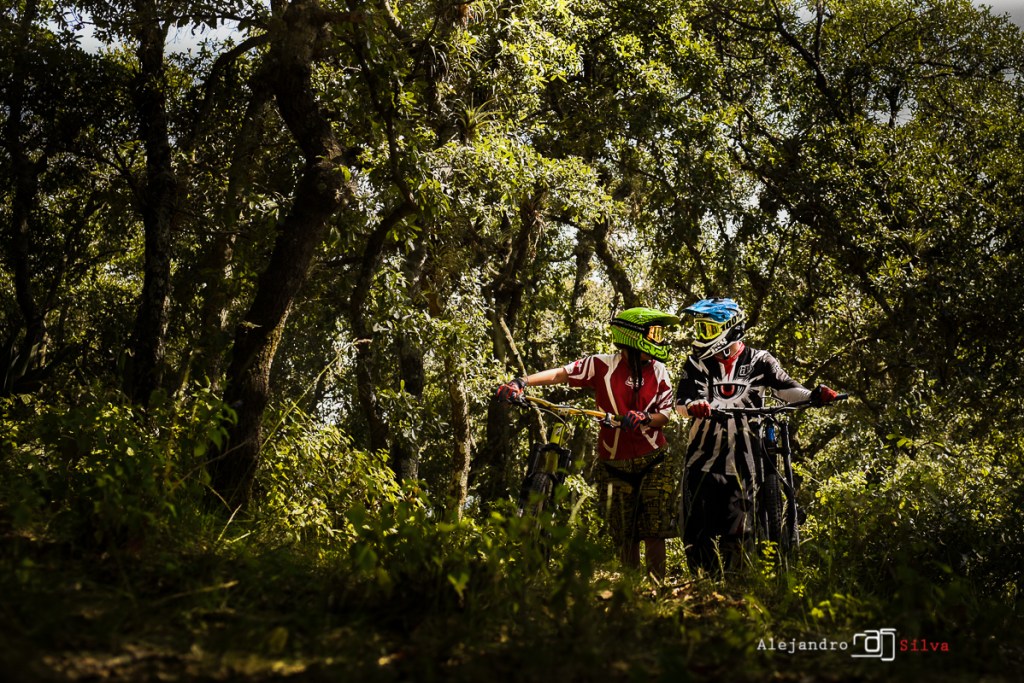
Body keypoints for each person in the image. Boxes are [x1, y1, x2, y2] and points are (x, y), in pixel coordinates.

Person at [495, 307, 681, 579]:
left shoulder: (660, 371)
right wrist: (520, 382)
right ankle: (632, 592)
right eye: (653, 333)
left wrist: (645, 417)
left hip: (653, 461)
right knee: (625, 534)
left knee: (655, 530)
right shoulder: (602, 365)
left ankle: (658, 589)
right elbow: (562, 374)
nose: (658, 339)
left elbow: (664, 415)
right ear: (632, 336)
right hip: (613, 463)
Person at [674, 298, 838, 573]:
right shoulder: (695, 363)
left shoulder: (760, 361)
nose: (700, 335)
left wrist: (814, 395)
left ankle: (736, 590)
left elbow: (786, 388)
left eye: (707, 329)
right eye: (699, 329)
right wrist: (694, 406)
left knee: (739, 536)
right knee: (697, 535)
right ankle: (700, 589)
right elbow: (681, 402)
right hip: (702, 461)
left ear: (729, 329)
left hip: (745, 464)